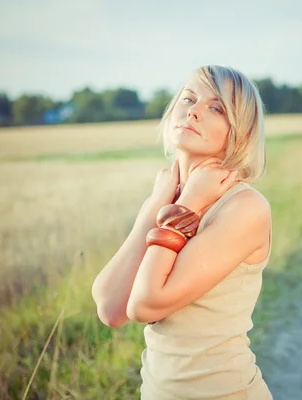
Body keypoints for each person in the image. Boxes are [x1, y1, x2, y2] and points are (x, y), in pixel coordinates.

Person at [91, 65, 274, 399]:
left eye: (216, 108)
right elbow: (110, 307)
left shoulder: (245, 207)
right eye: (188, 99)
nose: (193, 110)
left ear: (240, 133)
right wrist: (157, 205)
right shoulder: (168, 197)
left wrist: (185, 205)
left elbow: (145, 305)